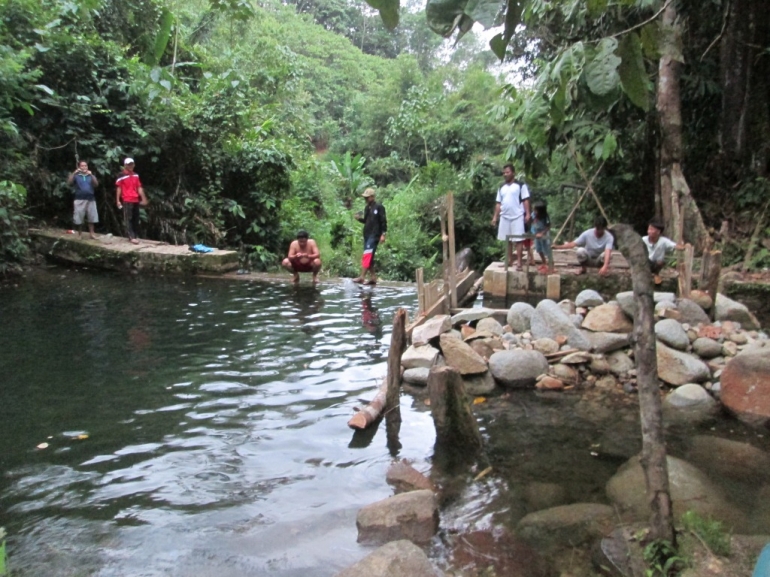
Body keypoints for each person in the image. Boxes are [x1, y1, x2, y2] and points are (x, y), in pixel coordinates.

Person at [491, 163, 530, 271]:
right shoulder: (501, 187)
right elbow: (498, 203)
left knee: (518, 240)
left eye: (507, 172)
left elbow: (525, 200)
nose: (505, 174)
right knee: (507, 240)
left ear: (513, 173)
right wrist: (495, 217)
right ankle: (509, 261)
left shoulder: (521, 185)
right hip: (504, 216)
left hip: (517, 215)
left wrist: (527, 213)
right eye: (504, 173)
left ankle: (519, 263)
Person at [353, 188, 387, 285]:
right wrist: (359, 219)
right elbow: (366, 221)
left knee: (367, 255)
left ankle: (362, 277)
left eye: (367, 198)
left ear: (372, 197)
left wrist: (383, 234)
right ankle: (373, 277)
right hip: (367, 234)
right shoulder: (367, 208)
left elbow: (383, 221)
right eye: (365, 198)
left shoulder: (379, 207)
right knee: (369, 256)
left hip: (375, 234)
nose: (366, 199)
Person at [115, 157, 148, 245]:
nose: (130, 166)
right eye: (128, 164)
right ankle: (131, 236)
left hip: (135, 199)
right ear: (125, 165)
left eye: (132, 164)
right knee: (127, 218)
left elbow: (139, 187)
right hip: (126, 199)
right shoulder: (121, 175)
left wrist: (143, 198)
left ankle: (134, 235)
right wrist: (118, 200)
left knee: (135, 218)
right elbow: (119, 188)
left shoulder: (136, 175)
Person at [643, 218, 683, 284]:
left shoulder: (663, 241)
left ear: (658, 232)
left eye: (651, 229)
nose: (649, 231)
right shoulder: (643, 240)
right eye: (649, 229)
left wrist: (683, 247)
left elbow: (674, 245)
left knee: (660, 262)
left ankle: (655, 274)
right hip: (645, 262)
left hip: (657, 264)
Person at [67, 160, 99, 239]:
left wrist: (91, 175)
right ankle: (79, 234)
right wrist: (74, 173)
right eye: (82, 166)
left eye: (85, 166)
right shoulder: (77, 176)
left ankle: (92, 234)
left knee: (92, 217)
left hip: (91, 199)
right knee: (79, 217)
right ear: (79, 167)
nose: (84, 167)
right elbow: (69, 183)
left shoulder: (90, 176)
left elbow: (96, 184)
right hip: (79, 199)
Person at [531, 201, 553, 274]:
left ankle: (551, 265)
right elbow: (532, 223)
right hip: (536, 234)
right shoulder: (533, 215)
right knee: (539, 249)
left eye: (536, 210)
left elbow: (548, 226)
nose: (534, 211)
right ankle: (544, 263)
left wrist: (542, 233)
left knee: (547, 249)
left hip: (544, 234)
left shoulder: (545, 217)